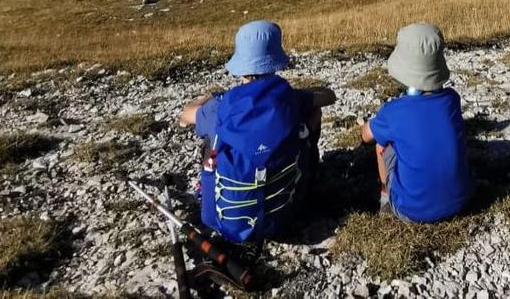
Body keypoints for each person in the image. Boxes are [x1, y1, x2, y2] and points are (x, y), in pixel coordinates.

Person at [179, 20, 336, 243]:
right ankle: (306, 178)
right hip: (285, 215)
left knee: (212, 139)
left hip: (224, 222)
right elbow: (329, 96)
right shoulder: (290, 98)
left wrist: (209, 97)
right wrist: (299, 96)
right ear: (275, 61)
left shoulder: (220, 107)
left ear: (240, 67)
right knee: (314, 114)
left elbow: (185, 115)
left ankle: (210, 190)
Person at [360, 23, 472, 222]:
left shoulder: (393, 111)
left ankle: (386, 198)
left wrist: (364, 125)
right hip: (460, 203)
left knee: (381, 143)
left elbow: (366, 136)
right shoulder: (452, 99)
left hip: (411, 212)